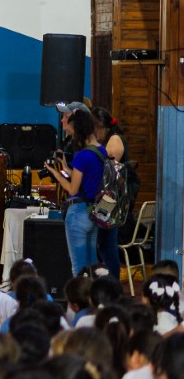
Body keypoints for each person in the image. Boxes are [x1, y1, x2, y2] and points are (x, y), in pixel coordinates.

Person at [50, 108, 105, 276]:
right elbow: (86, 179)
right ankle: (94, 299)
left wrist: (55, 173)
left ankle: (79, 300)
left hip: (78, 213)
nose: (72, 136)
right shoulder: (100, 151)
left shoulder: (82, 156)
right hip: (93, 212)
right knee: (92, 265)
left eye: (72, 132)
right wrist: (66, 167)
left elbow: (72, 189)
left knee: (79, 268)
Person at [92, 105, 127, 278]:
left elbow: (109, 172)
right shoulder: (111, 138)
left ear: (99, 127)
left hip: (109, 199)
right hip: (108, 197)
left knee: (107, 243)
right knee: (104, 244)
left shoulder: (114, 140)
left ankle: (113, 283)